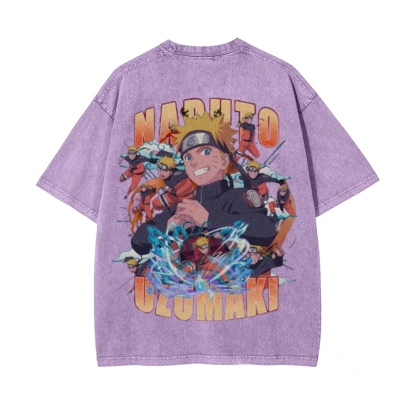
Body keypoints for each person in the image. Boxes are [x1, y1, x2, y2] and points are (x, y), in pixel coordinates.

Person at [131, 111, 278, 256]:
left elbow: (267, 230)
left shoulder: (238, 197)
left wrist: (209, 219)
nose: (194, 162)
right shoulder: (183, 206)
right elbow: (138, 241)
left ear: (224, 161)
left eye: (206, 152)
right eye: (188, 158)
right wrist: (169, 225)